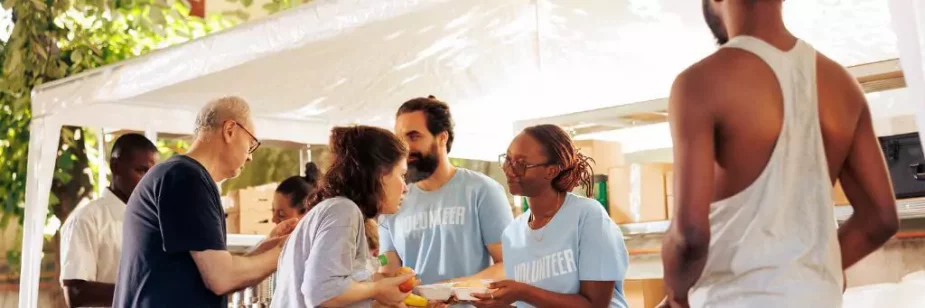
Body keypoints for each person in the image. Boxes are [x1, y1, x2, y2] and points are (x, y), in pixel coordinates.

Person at [660, 1, 900, 307]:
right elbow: (880, 219)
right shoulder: (843, 85)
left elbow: (690, 235)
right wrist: (810, 271)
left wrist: (677, 296)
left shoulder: (700, 83)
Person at [113, 96, 296, 307]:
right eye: (251, 144)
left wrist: (266, 247)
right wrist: (285, 250)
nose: (250, 157)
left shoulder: (176, 174)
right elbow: (221, 278)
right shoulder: (187, 177)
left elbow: (210, 269)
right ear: (229, 130)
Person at [472, 124, 629, 308]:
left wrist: (523, 292)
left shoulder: (588, 217)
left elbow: (595, 305)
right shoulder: (512, 234)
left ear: (552, 171)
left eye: (521, 164)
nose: (509, 170)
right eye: (508, 160)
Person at [378, 96, 514, 289]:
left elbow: (508, 265)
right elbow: (388, 269)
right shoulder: (391, 198)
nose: (404, 148)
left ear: (442, 137)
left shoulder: (483, 190)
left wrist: (452, 287)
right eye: (400, 139)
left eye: (413, 136)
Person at [271, 125, 415, 308]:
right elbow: (323, 293)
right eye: (401, 175)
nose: (405, 187)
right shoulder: (343, 211)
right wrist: (377, 289)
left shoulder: (338, 210)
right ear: (379, 174)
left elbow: (340, 292)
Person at [59, 133, 158, 307]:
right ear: (115, 167)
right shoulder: (86, 219)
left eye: (153, 174)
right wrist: (141, 292)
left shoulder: (154, 221)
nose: (149, 181)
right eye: (141, 171)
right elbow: (76, 293)